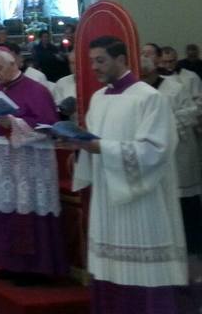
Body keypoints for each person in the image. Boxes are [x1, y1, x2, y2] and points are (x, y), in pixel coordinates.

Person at [69, 37, 188, 312]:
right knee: (109, 270)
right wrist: (82, 145)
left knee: (143, 271)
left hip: (142, 200)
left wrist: (101, 147)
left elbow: (156, 149)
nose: (94, 67)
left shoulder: (149, 98)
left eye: (101, 60)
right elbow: (94, 141)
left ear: (121, 59)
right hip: (107, 197)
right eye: (91, 61)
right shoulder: (98, 99)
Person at [0, 48, 67, 282]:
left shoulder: (37, 90)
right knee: (3, 209)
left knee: (26, 210)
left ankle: (34, 269)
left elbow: (47, 125)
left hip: (27, 164)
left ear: (14, 64)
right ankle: (7, 262)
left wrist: (12, 122)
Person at [142, 56, 202, 256]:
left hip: (179, 152)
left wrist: (164, 125)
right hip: (152, 158)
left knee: (185, 204)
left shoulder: (174, 87)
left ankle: (193, 249)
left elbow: (193, 113)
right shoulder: (137, 92)